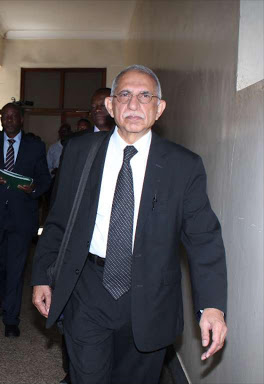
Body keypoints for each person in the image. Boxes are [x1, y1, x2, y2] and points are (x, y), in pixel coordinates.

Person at [32, 65, 227, 384]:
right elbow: (59, 219)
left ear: (159, 108)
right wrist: (42, 275)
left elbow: (203, 239)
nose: (134, 104)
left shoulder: (183, 166)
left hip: (151, 298)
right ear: (110, 106)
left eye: (145, 96)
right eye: (124, 95)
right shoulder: (80, 152)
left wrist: (213, 306)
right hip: (88, 287)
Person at [0, 102, 52, 337]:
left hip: (22, 218)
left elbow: (45, 179)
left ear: (21, 119)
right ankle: (5, 296)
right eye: (5, 116)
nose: (9, 120)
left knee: (15, 269)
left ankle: (11, 319)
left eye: (13, 116)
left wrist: (33, 187)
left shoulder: (35, 146)